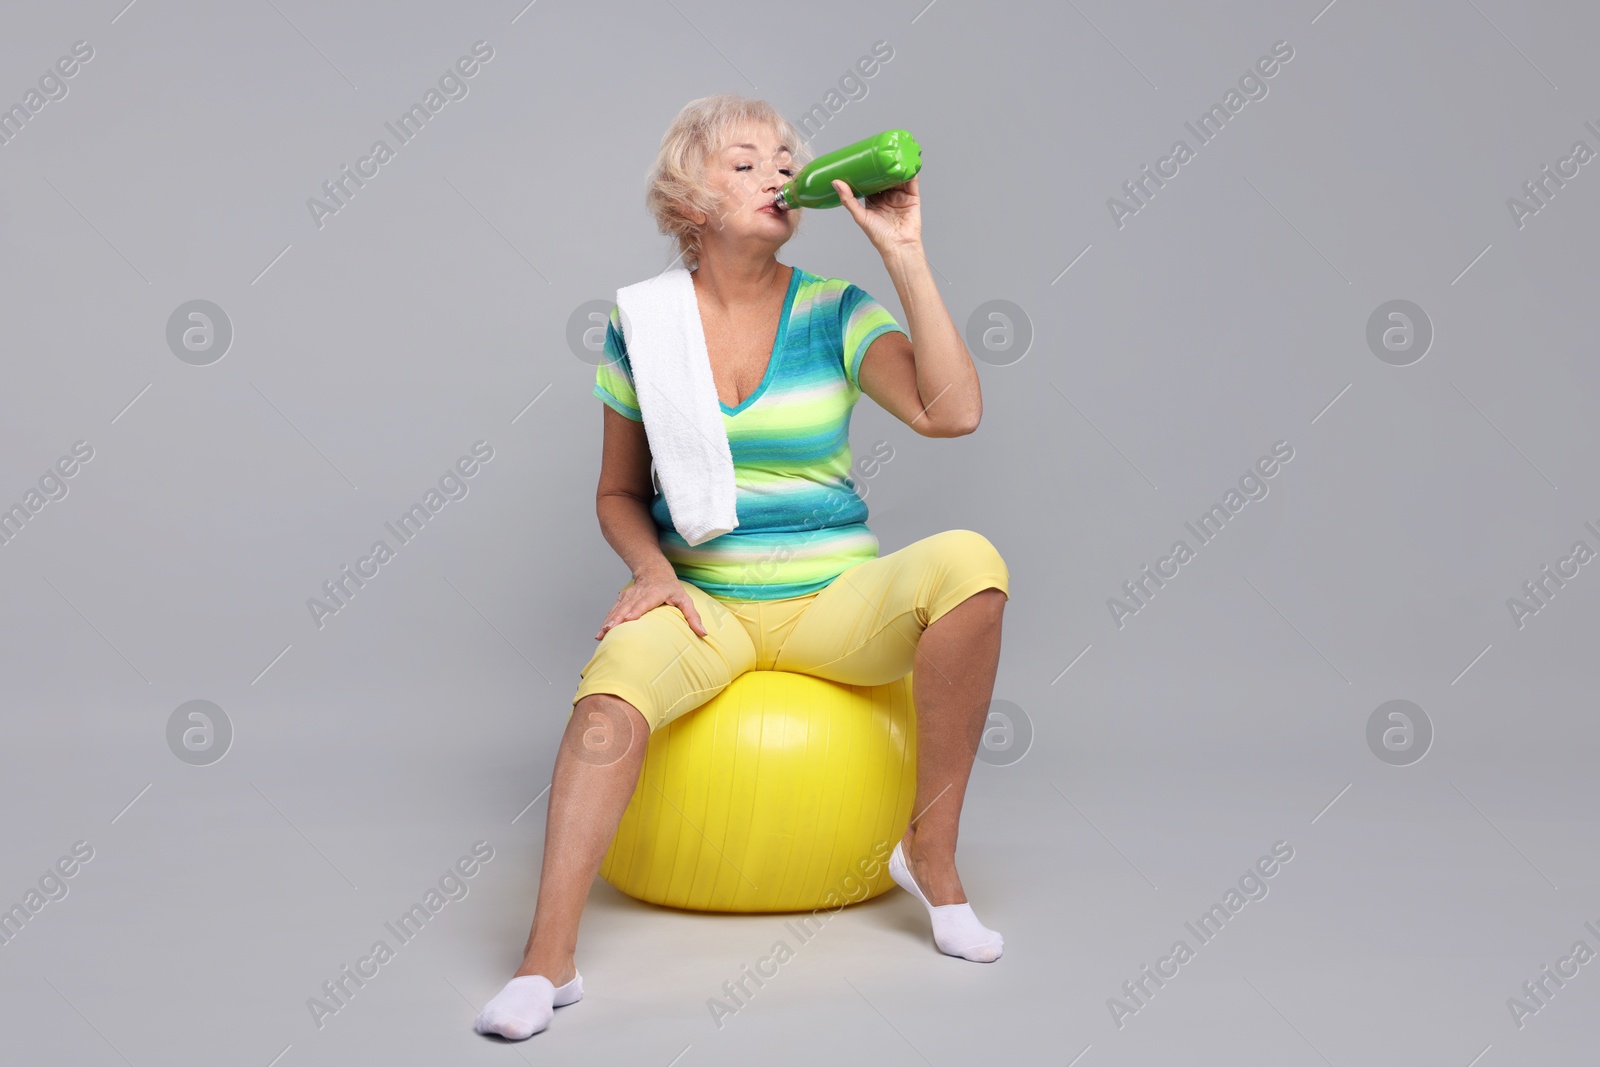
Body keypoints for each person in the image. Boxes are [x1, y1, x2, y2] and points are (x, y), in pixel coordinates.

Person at [475, 93, 1010, 1041]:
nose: (777, 172)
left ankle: (932, 856)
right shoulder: (643, 325)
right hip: (704, 605)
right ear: (689, 199)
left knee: (972, 563)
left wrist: (905, 256)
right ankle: (544, 961)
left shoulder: (835, 310)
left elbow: (953, 412)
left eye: (784, 158)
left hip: (835, 602)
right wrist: (653, 571)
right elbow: (615, 493)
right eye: (745, 161)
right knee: (606, 700)